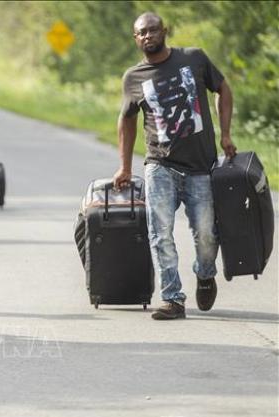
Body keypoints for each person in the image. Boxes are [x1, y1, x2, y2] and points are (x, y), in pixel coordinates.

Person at [112, 12, 236, 320]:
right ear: (135, 38)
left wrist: (226, 134)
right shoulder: (133, 77)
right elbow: (126, 120)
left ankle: (205, 275)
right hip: (159, 165)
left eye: (153, 30)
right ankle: (172, 298)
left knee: (206, 234)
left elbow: (223, 89)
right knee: (160, 233)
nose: (148, 36)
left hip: (199, 166)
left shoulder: (193, 59)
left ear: (164, 31)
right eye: (141, 32)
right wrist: (124, 167)